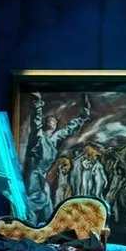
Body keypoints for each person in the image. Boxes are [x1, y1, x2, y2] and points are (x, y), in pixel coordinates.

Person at [23, 92, 90, 223]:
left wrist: (84, 114)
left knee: (48, 210)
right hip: (33, 179)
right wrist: (38, 103)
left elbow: (70, 129)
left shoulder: (54, 139)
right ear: (45, 123)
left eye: (54, 120)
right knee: (32, 209)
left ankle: (46, 230)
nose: (52, 121)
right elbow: (35, 123)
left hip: (42, 179)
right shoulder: (38, 137)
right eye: (49, 120)